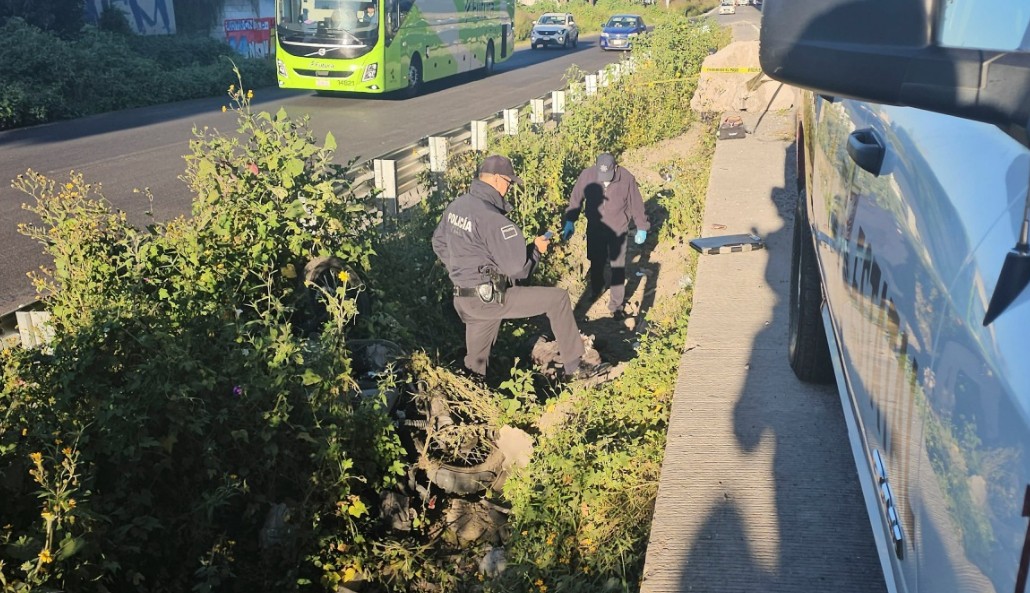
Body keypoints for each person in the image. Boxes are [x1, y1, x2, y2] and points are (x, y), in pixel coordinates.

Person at [432, 155, 609, 380]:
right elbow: (518, 270)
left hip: (465, 300)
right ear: (496, 179)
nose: (509, 188)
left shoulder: (457, 206)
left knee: (475, 365)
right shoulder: (492, 219)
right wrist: (535, 251)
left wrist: (464, 272)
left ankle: (469, 398)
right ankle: (576, 366)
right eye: (508, 182)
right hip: (489, 299)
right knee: (558, 299)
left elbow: (438, 243)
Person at [561, 153, 650, 319]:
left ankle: (616, 306)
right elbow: (576, 199)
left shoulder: (626, 178)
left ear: (615, 167)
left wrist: (641, 226)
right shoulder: (587, 175)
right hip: (595, 226)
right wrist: (570, 220)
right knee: (596, 260)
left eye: (608, 176)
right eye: (602, 176)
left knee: (618, 266)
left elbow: (636, 204)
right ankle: (597, 288)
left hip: (618, 228)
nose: (605, 180)